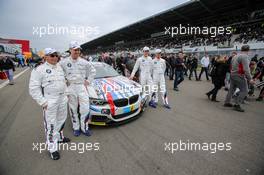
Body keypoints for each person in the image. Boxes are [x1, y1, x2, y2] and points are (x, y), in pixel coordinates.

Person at [29, 48, 70, 160]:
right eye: (51, 55)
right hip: (50, 100)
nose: (54, 57)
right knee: (51, 124)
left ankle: (60, 137)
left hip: (62, 98)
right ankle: (53, 148)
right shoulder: (39, 69)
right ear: (45, 57)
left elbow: (64, 82)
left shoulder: (60, 68)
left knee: (62, 119)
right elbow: (33, 88)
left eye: (56, 55)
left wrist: (66, 94)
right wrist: (43, 102)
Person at [60, 41, 96, 137]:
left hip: (81, 86)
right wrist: (64, 80)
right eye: (75, 49)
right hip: (70, 87)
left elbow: (93, 71)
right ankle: (76, 128)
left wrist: (88, 81)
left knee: (85, 108)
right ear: (70, 50)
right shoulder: (63, 62)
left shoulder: (84, 62)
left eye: (78, 50)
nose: (77, 51)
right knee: (73, 108)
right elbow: (58, 72)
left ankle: (85, 128)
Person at [224, 45, 255, 112]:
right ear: (248, 50)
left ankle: (227, 102)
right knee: (245, 90)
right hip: (239, 75)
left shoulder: (235, 56)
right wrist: (250, 79)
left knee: (231, 89)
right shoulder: (245, 56)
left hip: (233, 74)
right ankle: (237, 105)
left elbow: (231, 66)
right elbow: (246, 69)